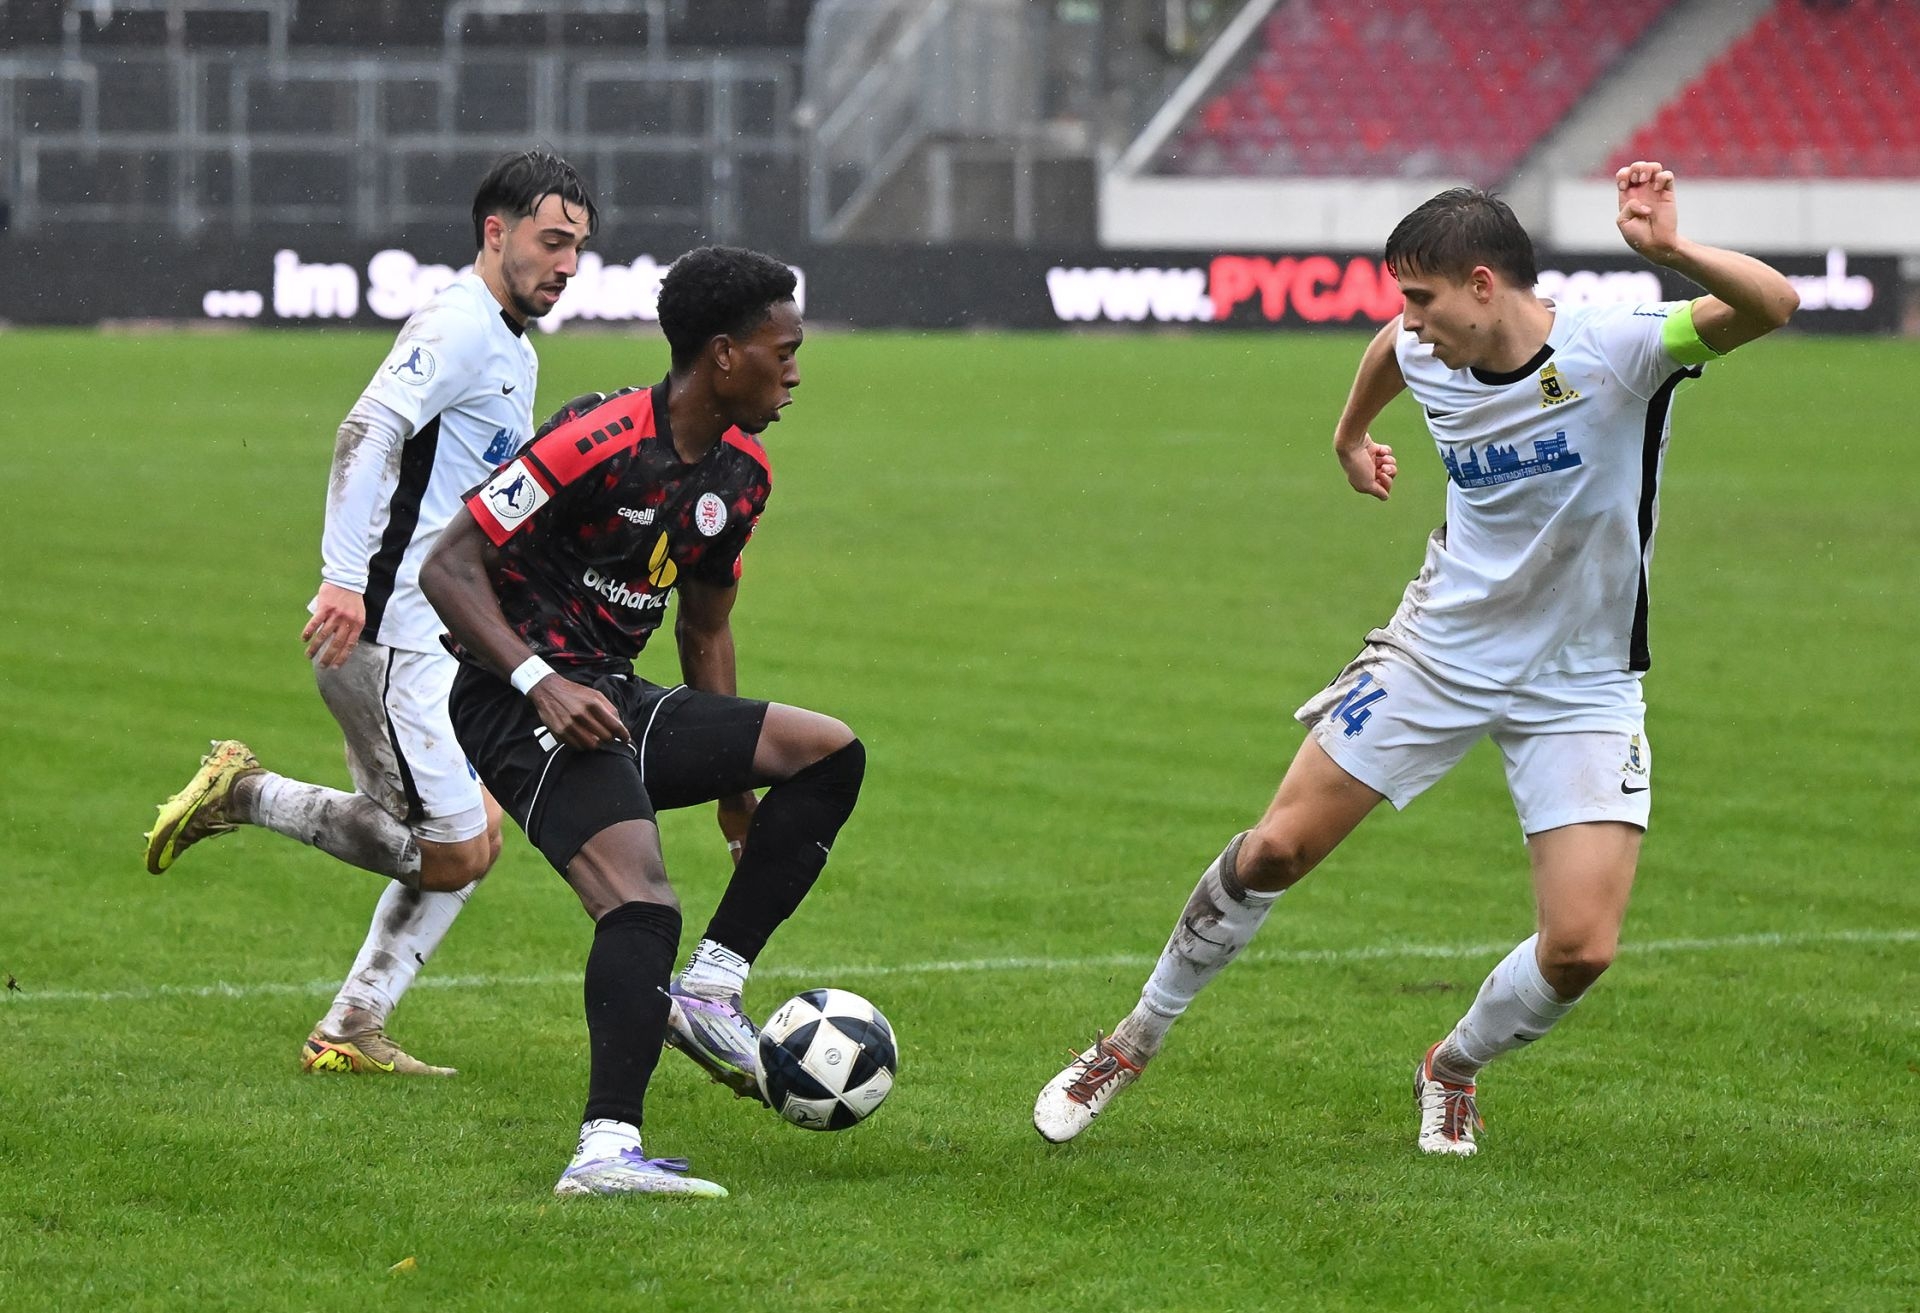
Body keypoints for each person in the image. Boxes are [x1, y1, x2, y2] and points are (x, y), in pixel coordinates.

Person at [1034, 162, 1799, 1156]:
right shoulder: (1427, 345)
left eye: (1422, 297)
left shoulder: (1620, 348)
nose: (1410, 321)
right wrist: (1350, 436)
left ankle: (1452, 1065)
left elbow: (1772, 304)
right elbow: (1389, 352)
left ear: (1484, 284)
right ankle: (1129, 1041)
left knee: (1580, 947)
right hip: (1437, 652)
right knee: (1276, 848)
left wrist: (1669, 250)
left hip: (1580, 684)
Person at [420, 245, 864, 1197]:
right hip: (514, 699)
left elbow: (705, 628)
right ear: (724, 355)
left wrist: (737, 795)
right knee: (642, 903)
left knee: (827, 753)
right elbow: (446, 567)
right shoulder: (595, 436)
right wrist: (539, 679)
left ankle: (710, 988)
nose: (795, 372)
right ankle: (603, 1152)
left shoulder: (743, 474)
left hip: (613, 697)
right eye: (783, 351)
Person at [144, 149, 597, 1076]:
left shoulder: (511, 344)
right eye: (552, 241)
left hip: (438, 636)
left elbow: (469, 498)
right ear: (496, 232)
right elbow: (368, 427)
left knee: (478, 830)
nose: (567, 264)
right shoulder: (458, 323)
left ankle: (353, 1022)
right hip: (389, 633)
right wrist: (343, 577)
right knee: (455, 851)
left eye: (579, 248)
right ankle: (247, 793)